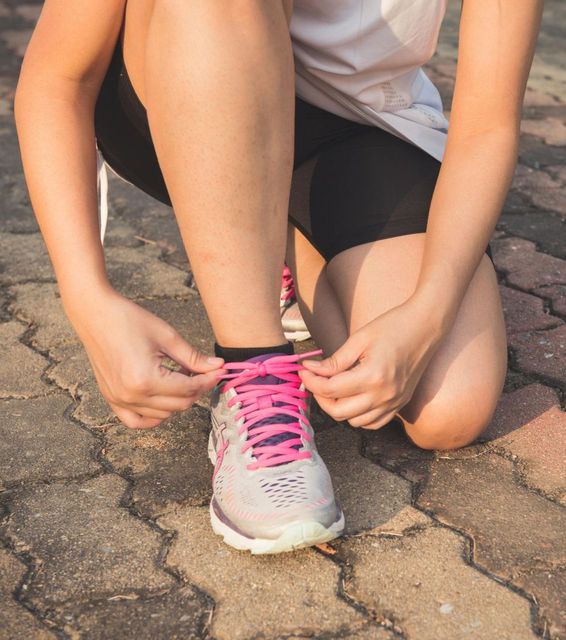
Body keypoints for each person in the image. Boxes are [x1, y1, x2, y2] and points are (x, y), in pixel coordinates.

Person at [15, 0, 543, 553]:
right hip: (182, 75)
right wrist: (88, 298)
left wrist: (427, 314)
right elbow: (57, 78)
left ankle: (269, 242)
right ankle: (254, 371)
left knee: (446, 408)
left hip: (357, 124)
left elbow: (487, 126)